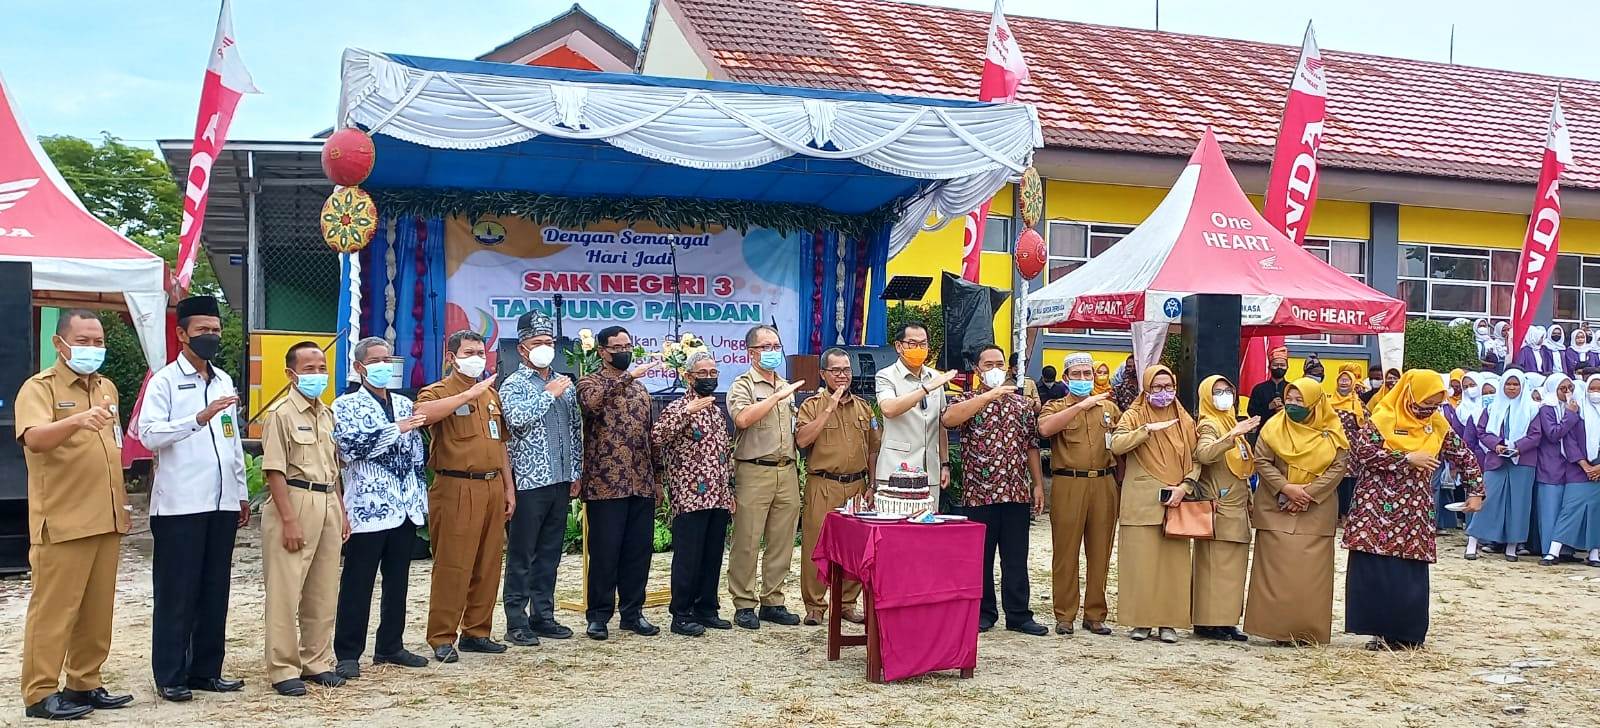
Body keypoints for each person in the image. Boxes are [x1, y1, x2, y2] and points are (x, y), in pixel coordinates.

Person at [15, 310, 133, 720]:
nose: (93, 348)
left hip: (106, 516)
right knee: (53, 611)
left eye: (98, 341)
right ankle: (40, 692)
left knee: (97, 611)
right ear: (59, 343)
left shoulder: (106, 387)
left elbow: (112, 446)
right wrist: (77, 420)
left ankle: (84, 683)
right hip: (63, 519)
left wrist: (121, 505)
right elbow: (33, 439)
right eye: (83, 341)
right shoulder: (40, 388)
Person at [137, 295, 248, 702]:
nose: (211, 336)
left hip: (221, 503)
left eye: (216, 330)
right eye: (202, 330)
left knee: (215, 589)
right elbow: (149, 434)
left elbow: (231, 440)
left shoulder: (222, 380)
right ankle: (170, 674)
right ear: (182, 334)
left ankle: (206, 670)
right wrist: (197, 419)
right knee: (177, 592)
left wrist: (240, 492)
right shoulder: (164, 381)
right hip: (180, 505)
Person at [1343, 370, 1484, 649]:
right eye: (1424, 403)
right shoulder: (1383, 418)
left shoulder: (1437, 424)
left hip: (1414, 510)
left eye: (1435, 404)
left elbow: (1465, 456)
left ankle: (1407, 635)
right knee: (1376, 568)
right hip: (1375, 506)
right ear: (1409, 395)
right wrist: (1406, 457)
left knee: (1409, 570)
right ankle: (1379, 633)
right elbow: (1363, 453)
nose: (1428, 410)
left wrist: (1476, 491)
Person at [331, 337, 431, 678]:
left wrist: (419, 498)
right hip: (368, 506)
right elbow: (350, 448)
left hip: (404, 506)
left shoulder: (404, 403)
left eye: (387, 359)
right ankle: (348, 653)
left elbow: (416, 455)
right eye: (376, 360)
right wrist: (395, 430)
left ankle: (390, 645)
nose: (384, 366)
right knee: (358, 581)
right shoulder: (345, 405)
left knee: (398, 580)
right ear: (359, 367)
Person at [414, 330, 515, 661]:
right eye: (469, 352)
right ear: (451, 357)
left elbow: (500, 444)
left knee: (488, 563)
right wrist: (467, 394)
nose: (477, 359)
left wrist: (508, 487)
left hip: (492, 485)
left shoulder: (490, 395)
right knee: (453, 564)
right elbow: (422, 415)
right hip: (456, 485)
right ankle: (442, 636)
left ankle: (477, 631)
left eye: (481, 353)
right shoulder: (438, 391)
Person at [260, 342, 348, 696]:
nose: (317, 374)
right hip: (295, 500)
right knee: (285, 590)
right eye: (309, 369)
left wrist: (341, 509)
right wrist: (288, 520)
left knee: (323, 589)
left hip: (327, 500)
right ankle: (283, 668)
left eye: (321, 368)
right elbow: (274, 470)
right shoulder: (281, 414)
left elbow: (334, 466)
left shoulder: (326, 414)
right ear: (291, 374)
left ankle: (317, 660)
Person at [942, 345, 1048, 636]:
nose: (995, 369)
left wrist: (1037, 485)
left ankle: (1019, 614)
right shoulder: (966, 400)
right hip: (980, 493)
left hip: (1015, 491)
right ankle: (983, 612)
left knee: (1016, 556)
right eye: (988, 364)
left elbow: (1031, 446)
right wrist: (988, 396)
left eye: (999, 364)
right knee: (980, 557)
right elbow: (949, 420)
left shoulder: (1022, 405)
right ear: (977, 369)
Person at [1245, 377, 1349, 646]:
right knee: (1276, 575)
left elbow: (1338, 467)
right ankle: (1274, 630)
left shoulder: (1333, 430)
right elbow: (1262, 461)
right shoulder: (1273, 427)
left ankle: (1307, 632)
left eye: (1299, 400)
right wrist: (1286, 488)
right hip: (1276, 508)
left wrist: (1307, 494)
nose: (1292, 404)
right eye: (1289, 399)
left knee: (1309, 579)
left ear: (1315, 402)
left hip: (1316, 511)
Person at [498, 312, 582, 646]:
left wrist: (576, 472)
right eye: (537, 343)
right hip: (529, 481)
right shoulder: (513, 384)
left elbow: (575, 430)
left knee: (549, 553)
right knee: (522, 554)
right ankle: (516, 620)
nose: (544, 348)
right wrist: (548, 394)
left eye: (548, 342)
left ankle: (543, 615)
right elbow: (516, 420)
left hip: (560, 478)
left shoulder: (565, 382)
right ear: (522, 349)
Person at [576, 326, 664, 640]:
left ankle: (632, 613)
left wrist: (658, 479)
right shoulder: (589, 382)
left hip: (641, 482)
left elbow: (651, 436)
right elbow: (591, 405)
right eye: (617, 347)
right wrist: (626, 378)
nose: (624, 351)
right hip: (605, 485)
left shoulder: (641, 390)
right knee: (604, 553)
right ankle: (598, 616)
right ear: (602, 351)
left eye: (628, 345)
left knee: (638, 553)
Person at [1110, 365, 1197, 644]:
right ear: (1146, 389)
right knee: (1140, 563)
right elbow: (1117, 445)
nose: (1163, 393)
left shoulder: (1184, 419)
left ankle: (1168, 623)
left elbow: (1196, 459)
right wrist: (1145, 430)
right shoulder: (1133, 415)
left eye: (1168, 387)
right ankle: (1141, 621)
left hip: (1175, 501)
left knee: (1173, 566)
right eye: (1157, 387)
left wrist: (1185, 487)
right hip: (1141, 502)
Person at [726, 325, 806, 629]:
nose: (773, 352)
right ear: (751, 352)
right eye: (766, 347)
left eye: (776, 346)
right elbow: (742, 419)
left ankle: (773, 601)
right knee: (747, 539)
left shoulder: (785, 385)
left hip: (786, 469)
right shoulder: (743, 385)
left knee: (782, 540)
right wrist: (775, 397)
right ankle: (744, 603)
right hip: (754, 469)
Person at [653, 352, 736, 636]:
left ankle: (707, 609)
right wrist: (686, 412)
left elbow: (725, 453)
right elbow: (657, 436)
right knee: (688, 557)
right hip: (690, 496)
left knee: (712, 556)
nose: (709, 378)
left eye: (713, 372)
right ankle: (682, 614)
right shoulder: (678, 406)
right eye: (702, 373)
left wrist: (730, 490)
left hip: (718, 495)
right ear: (688, 377)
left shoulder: (716, 410)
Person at [1037, 352, 1120, 636]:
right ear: (1065, 378)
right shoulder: (1055, 406)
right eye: (1077, 374)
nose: (1083, 379)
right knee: (1065, 550)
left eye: (1088, 374)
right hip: (1069, 482)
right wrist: (1080, 405)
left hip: (1104, 482)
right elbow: (1045, 428)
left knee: (1100, 551)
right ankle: (1065, 614)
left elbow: (1122, 440)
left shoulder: (1108, 407)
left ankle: (1095, 614)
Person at [795, 348, 880, 626]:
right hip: (823, 484)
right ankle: (815, 605)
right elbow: (802, 440)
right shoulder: (811, 405)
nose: (842, 375)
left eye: (846, 370)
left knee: (854, 547)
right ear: (823, 374)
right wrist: (829, 408)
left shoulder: (864, 408)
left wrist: (873, 484)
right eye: (836, 370)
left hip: (856, 485)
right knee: (815, 544)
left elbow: (873, 449)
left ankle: (846, 604)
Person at [1191, 375, 1259, 642]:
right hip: (1218, 505)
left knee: (1234, 569)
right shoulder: (1209, 424)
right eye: (1217, 392)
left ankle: (1227, 620)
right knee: (1214, 567)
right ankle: (1208, 622)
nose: (1224, 396)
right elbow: (1204, 454)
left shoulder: (1231, 421)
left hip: (1237, 506)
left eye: (1227, 391)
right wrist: (1232, 436)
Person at [874, 322, 956, 493]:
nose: (918, 348)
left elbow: (941, 424)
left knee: (929, 512)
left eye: (923, 344)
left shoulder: (935, 377)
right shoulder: (886, 376)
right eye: (912, 344)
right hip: (895, 469)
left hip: (930, 471)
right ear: (899, 346)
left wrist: (945, 464)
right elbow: (888, 409)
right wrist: (926, 389)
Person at [1467, 369, 1540, 561]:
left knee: (1519, 504)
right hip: (1496, 460)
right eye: (1508, 384)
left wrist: (1518, 447)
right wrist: (1496, 445)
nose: (1512, 388)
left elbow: (1536, 435)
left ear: (1522, 386)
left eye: (1516, 384)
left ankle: (1511, 547)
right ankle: (1473, 542)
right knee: (1488, 499)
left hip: (1522, 461)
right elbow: (1482, 431)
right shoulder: (1492, 408)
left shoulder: (1533, 409)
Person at [1548, 374, 1600, 566]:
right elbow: (1570, 442)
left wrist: (1598, 468)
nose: (1596, 393)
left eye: (1599, 389)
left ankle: (1594, 554)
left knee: (1596, 513)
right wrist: (1585, 465)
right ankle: (1553, 552)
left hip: (1598, 472)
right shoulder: (1578, 414)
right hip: (1578, 469)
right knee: (1570, 509)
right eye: (1592, 388)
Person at [1529, 373, 1580, 563]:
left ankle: (1565, 549)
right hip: (1549, 464)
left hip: (1569, 466)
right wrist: (1570, 415)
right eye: (1562, 389)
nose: (1567, 392)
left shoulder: (1574, 406)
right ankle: (1549, 550)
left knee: (1566, 510)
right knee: (1550, 510)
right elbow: (1552, 434)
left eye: (1570, 388)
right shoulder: (1546, 408)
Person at [1326, 363, 1367, 520]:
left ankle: (1346, 514)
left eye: (1347, 380)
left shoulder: (1358, 404)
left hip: (1351, 447)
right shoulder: (1328, 402)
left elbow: (1366, 424)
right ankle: (1332, 514)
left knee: (1348, 482)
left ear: (1352, 383)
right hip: (1332, 445)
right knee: (1332, 479)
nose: (1343, 383)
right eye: (1341, 380)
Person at [1246, 346, 1290, 425]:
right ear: (1269, 367)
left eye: (1282, 365)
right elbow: (1251, 412)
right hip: (1263, 429)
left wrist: (1285, 411)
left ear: (1287, 367)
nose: (1279, 367)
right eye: (1275, 365)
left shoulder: (1291, 388)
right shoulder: (1259, 389)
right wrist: (1268, 407)